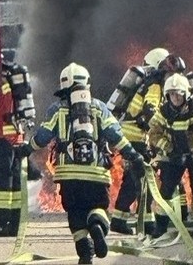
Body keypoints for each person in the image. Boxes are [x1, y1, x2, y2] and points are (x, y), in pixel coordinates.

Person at [32, 63, 147, 264]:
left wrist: (27, 147)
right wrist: (133, 155)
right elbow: (116, 136)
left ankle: (85, 253)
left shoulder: (57, 109)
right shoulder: (99, 107)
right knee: (98, 206)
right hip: (96, 173)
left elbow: (42, 136)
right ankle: (97, 224)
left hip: (68, 176)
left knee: (75, 213)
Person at [108, 48, 187, 235]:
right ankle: (147, 223)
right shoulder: (154, 86)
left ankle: (120, 219)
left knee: (134, 180)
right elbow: (150, 108)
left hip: (133, 136)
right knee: (146, 179)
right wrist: (164, 127)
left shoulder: (151, 83)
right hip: (135, 137)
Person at [146, 72, 193, 240]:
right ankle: (160, 227)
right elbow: (154, 134)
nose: (175, 98)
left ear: (185, 94)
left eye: (178, 94)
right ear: (167, 95)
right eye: (171, 94)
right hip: (174, 156)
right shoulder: (163, 112)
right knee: (166, 190)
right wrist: (169, 149)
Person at [0, 49, 35, 237]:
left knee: (2, 185)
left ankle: (1, 224)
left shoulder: (0, 82)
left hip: (3, 139)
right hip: (16, 138)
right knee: (15, 184)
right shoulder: (11, 81)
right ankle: (14, 223)